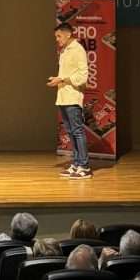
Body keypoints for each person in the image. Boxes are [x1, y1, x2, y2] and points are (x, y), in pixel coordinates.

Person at [48, 22, 91, 179]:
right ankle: (77, 162)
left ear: (68, 34)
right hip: (63, 97)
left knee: (78, 131)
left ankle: (84, 166)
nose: (57, 39)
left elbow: (83, 76)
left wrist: (62, 79)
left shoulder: (78, 50)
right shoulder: (65, 51)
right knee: (71, 132)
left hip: (73, 97)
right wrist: (58, 80)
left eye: (59, 36)